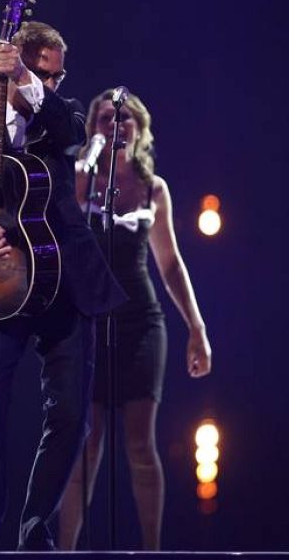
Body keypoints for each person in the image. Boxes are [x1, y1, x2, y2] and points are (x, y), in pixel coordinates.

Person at [0, 21, 125, 551]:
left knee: (70, 417)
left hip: (65, 284)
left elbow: (74, 132)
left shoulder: (61, 117)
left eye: (57, 76)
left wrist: (31, 83)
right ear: (6, 68)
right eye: (41, 73)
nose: (52, 84)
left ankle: (36, 530)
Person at [58, 90, 212, 550]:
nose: (116, 124)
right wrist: (89, 158)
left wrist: (197, 329)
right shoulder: (82, 178)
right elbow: (63, 227)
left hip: (140, 321)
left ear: (140, 129)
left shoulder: (153, 188)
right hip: (90, 320)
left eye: (125, 119)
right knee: (86, 447)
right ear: (94, 127)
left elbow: (170, 264)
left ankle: (152, 550)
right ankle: (63, 550)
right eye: (106, 118)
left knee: (141, 445)